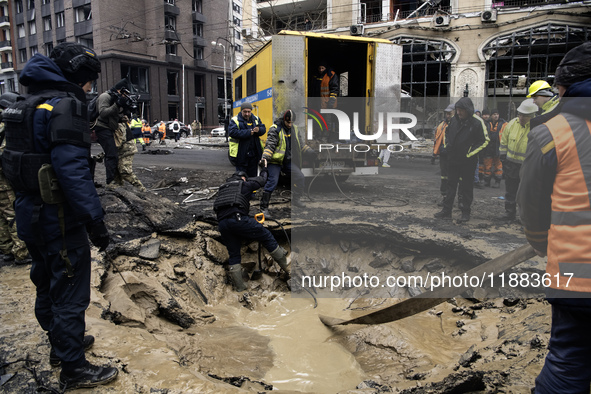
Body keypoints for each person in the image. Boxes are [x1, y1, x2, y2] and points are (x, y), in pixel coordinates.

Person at [1, 42, 117, 390]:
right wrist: (95, 221)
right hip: (59, 217)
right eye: (87, 81)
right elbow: (73, 173)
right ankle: (74, 368)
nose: (88, 89)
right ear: (78, 76)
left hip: (27, 212)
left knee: (45, 280)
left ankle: (60, 345)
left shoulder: (26, 104)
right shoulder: (64, 106)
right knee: (69, 289)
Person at [517, 41, 591, 393]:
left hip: (579, 274)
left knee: (568, 361)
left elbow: (532, 201)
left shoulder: (552, 132)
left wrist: (538, 239)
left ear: (562, 88)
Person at [214, 160, 290, 291]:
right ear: (243, 178)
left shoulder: (223, 190)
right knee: (265, 235)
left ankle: (240, 288)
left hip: (223, 224)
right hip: (238, 219)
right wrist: (264, 168)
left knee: (234, 254)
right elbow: (262, 180)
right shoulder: (244, 184)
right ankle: (287, 267)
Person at [434, 97, 489, 223]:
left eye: (461, 110)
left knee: (466, 187)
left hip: (468, 162)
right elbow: (447, 133)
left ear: (468, 110)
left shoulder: (477, 122)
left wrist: (469, 153)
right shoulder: (454, 120)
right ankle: (446, 211)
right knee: (450, 185)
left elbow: (485, 141)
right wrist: (448, 147)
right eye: (457, 110)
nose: (458, 112)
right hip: (453, 159)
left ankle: (465, 212)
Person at [260, 110, 312, 216]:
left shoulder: (295, 129)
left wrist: (310, 152)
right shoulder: (275, 129)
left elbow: (301, 144)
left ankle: (296, 200)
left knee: (300, 177)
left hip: (287, 161)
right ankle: (263, 208)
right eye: (288, 122)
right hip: (275, 161)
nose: (290, 124)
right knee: (272, 182)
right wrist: (265, 158)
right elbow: (270, 145)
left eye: (292, 122)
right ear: (284, 120)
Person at [0, 92, 30, 265]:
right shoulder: (5, 126)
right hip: (4, 179)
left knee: (2, 214)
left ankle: (7, 249)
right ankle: (21, 252)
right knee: (12, 213)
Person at [498, 98, 538, 221]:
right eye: (520, 114)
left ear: (532, 116)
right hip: (511, 164)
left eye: (524, 116)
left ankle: (526, 218)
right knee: (510, 191)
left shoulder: (537, 127)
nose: (521, 118)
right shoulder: (511, 124)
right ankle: (509, 213)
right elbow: (504, 141)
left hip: (528, 166)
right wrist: (503, 158)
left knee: (527, 194)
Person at [94, 78, 133, 188]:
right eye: (124, 94)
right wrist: (117, 105)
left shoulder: (114, 97)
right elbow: (103, 113)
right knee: (111, 155)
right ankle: (110, 182)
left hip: (108, 128)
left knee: (113, 155)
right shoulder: (105, 97)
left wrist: (121, 118)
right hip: (102, 128)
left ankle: (113, 180)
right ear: (120, 90)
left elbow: (112, 116)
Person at [228, 102, 266, 177]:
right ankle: (242, 188)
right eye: (245, 112)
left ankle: (251, 189)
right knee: (241, 176)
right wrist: (248, 132)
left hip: (254, 155)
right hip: (241, 154)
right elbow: (232, 132)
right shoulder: (235, 120)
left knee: (253, 177)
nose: (247, 114)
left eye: (249, 112)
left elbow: (263, 129)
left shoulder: (256, 119)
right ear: (241, 111)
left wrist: (259, 130)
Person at [112, 116, 146, 192]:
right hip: (127, 145)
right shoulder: (136, 121)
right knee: (117, 170)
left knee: (125, 171)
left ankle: (141, 188)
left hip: (127, 149)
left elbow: (119, 142)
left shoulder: (119, 124)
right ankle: (119, 187)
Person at [432, 104, 454, 204]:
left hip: (454, 155)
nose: (448, 115)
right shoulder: (442, 125)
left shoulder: (458, 125)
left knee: (453, 177)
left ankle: (454, 198)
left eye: (450, 113)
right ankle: (445, 197)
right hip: (444, 154)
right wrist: (435, 152)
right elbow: (437, 139)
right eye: (447, 113)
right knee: (444, 176)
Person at [482, 108, 506, 188]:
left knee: (498, 165)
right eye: (494, 114)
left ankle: (497, 182)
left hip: (498, 147)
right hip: (488, 147)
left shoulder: (503, 124)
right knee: (487, 165)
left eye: (497, 114)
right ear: (491, 116)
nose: (496, 116)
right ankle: (487, 181)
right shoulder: (486, 123)